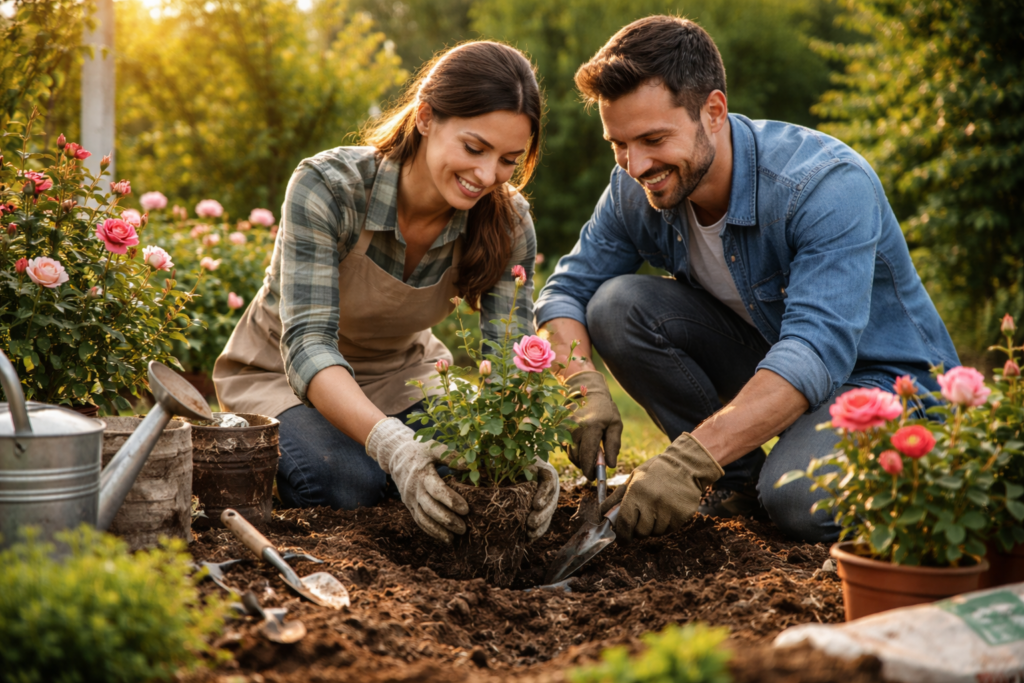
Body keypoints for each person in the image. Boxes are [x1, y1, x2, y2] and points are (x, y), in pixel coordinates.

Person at [537, 16, 960, 544]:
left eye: (652, 138)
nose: (635, 163)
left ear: (713, 111)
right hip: (771, 367)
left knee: (795, 498)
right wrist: (581, 386)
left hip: (885, 384)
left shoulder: (823, 185)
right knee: (615, 304)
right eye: (618, 143)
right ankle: (734, 484)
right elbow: (565, 293)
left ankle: (905, 482)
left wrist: (690, 457)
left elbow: (813, 351)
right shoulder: (634, 184)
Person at [213, 41, 559, 545]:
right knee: (343, 480)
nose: (487, 177)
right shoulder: (330, 188)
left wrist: (524, 455)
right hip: (282, 376)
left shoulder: (508, 221)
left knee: (474, 467)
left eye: (509, 159)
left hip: (406, 374)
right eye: (473, 147)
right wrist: (394, 446)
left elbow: (510, 358)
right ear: (425, 117)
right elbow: (308, 345)